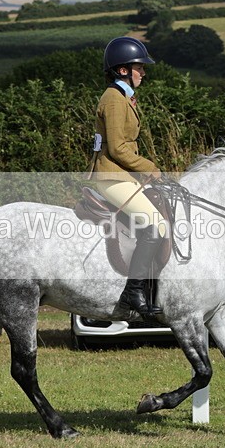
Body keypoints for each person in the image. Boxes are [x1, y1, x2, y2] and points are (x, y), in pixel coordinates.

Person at [89, 36, 165, 321]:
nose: (143, 72)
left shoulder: (123, 97)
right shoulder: (113, 99)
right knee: (156, 226)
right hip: (112, 177)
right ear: (123, 70)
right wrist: (150, 168)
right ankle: (133, 291)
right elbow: (119, 147)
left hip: (124, 175)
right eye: (139, 67)